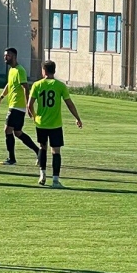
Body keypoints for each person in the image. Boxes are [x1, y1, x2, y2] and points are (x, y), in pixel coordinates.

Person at [27, 60, 82, 188]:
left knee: (42, 147)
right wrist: (77, 118)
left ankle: (42, 175)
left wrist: (34, 116)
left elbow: (29, 105)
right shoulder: (60, 86)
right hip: (55, 124)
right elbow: (69, 104)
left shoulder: (37, 85)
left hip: (41, 123)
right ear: (54, 70)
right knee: (56, 151)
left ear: (44, 71)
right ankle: (56, 180)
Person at [0, 47, 40, 166]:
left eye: (8, 55)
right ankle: (38, 152)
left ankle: (12, 159)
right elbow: (9, 85)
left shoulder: (20, 70)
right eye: (5, 55)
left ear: (14, 57)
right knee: (18, 132)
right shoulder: (12, 70)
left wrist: (28, 105)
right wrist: (0, 98)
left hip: (17, 106)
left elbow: (26, 88)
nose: (5, 57)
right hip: (14, 105)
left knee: (7, 130)